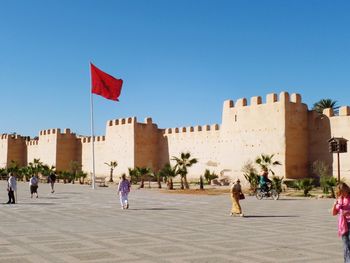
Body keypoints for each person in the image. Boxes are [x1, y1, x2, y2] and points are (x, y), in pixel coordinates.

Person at [332, 182, 350, 263]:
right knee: (346, 245)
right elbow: (334, 213)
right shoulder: (340, 199)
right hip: (343, 225)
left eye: (344, 190)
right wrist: (334, 205)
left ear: (347, 189)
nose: (343, 193)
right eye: (341, 192)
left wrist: (348, 212)